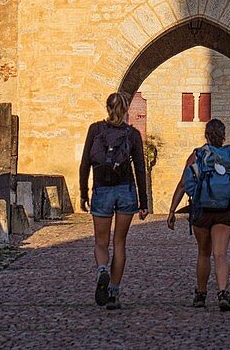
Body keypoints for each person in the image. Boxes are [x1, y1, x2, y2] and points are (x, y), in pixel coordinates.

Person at [167, 118, 230, 312]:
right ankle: (223, 293)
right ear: (223, 135)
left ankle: (201, 294)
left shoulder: (197, 155)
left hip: (202, 210)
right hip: (224, 211)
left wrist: (172, 210)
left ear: (206, 135)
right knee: (220, 254)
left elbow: (184, 184)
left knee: (203, 253)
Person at [79, 91, 148, 311]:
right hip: (126, 191)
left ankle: (101, 270)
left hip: (102, 190)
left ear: (107, 108)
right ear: (127, 110)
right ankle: (114, 293)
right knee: (120, 243)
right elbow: (139, 168)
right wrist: (143, 202)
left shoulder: (95, 129)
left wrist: (83, 193)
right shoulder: (133, 134)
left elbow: (84, 164)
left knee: (101, 242)